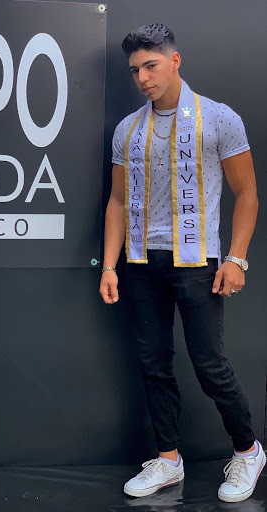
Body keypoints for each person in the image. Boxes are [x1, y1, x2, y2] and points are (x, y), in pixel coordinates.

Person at [99, 23, 264, 503]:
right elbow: (117, 202)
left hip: (197, 262)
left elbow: (247, 193)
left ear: (175, 61)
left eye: (151, 66)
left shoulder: (219, 118)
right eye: (135, 70)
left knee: (210, 365)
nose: (142, 78)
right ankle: (168, 460)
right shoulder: (127, 129)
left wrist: (237, 259)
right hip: (139, 262)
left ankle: (249, 451)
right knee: (153, 365)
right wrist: (109, 266)